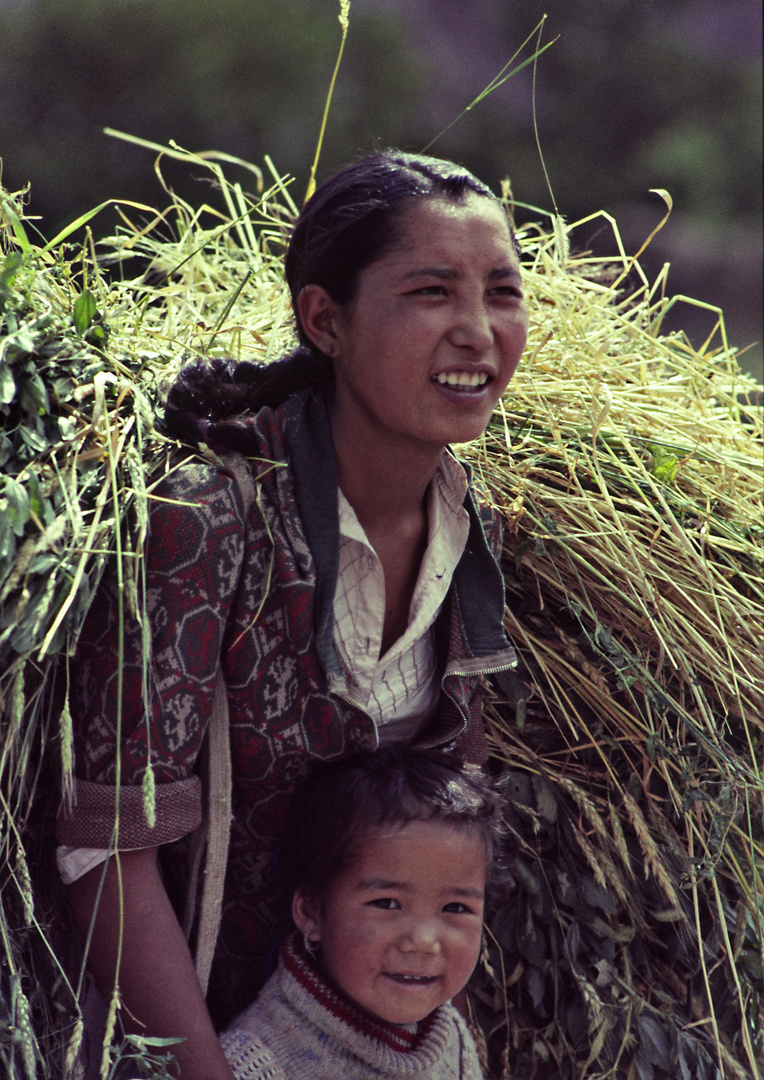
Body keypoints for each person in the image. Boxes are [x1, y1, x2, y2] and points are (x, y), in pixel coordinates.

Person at [56, 149, 529, 1080]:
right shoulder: (206, 522)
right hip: (178, 1034)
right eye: (432, 291)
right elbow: (105, 851)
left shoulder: (471, 529)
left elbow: (446, 826)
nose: (478, 331)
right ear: (326, 320)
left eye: (502, 293)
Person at [220, 747, 502, 1080]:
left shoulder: (449, 1035)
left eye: (455, 908)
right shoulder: (255, 1063)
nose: (424, 941)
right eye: (386, 903)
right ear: (311, 910)